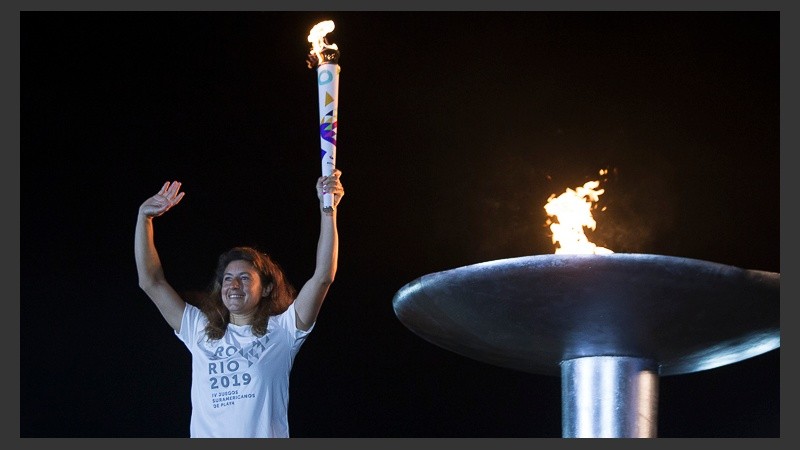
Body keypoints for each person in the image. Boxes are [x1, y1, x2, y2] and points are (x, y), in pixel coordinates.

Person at [134, 170, 344, 438]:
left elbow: (323, 277)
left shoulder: (283, 332)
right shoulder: (198, 330)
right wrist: (144, 219)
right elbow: (150, 282)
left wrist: (329, 211)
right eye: (228, 278)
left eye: (245, 278)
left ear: (267, 288)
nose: (233, 285)